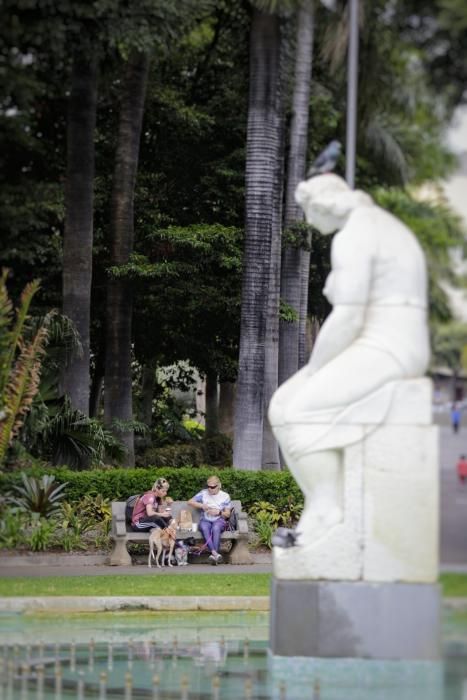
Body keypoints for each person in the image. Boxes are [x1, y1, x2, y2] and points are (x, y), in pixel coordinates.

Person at [269, 173, 430, 542]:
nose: (309, 221)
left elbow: (349, 315)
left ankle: (329, 513)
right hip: (385, 341)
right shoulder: (381, 225)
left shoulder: (356, 234)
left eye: (309, 210)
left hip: (389, 345)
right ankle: (321, 503)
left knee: (300, 410)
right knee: (281, 404)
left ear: (325, 204)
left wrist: (315, 369)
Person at [188, 475, 231, 564]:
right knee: (204, 527)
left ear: (219, 485)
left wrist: (219, 512)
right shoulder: (203, 493)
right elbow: (190, 501)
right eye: (208, 487)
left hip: (219, 519)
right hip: (206, 519)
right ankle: (215, 554)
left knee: (215, 528)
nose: (210, 489)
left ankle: (213, 555)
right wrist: (202, 505)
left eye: (213, 487)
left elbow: (227, 514)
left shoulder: (225, 496)